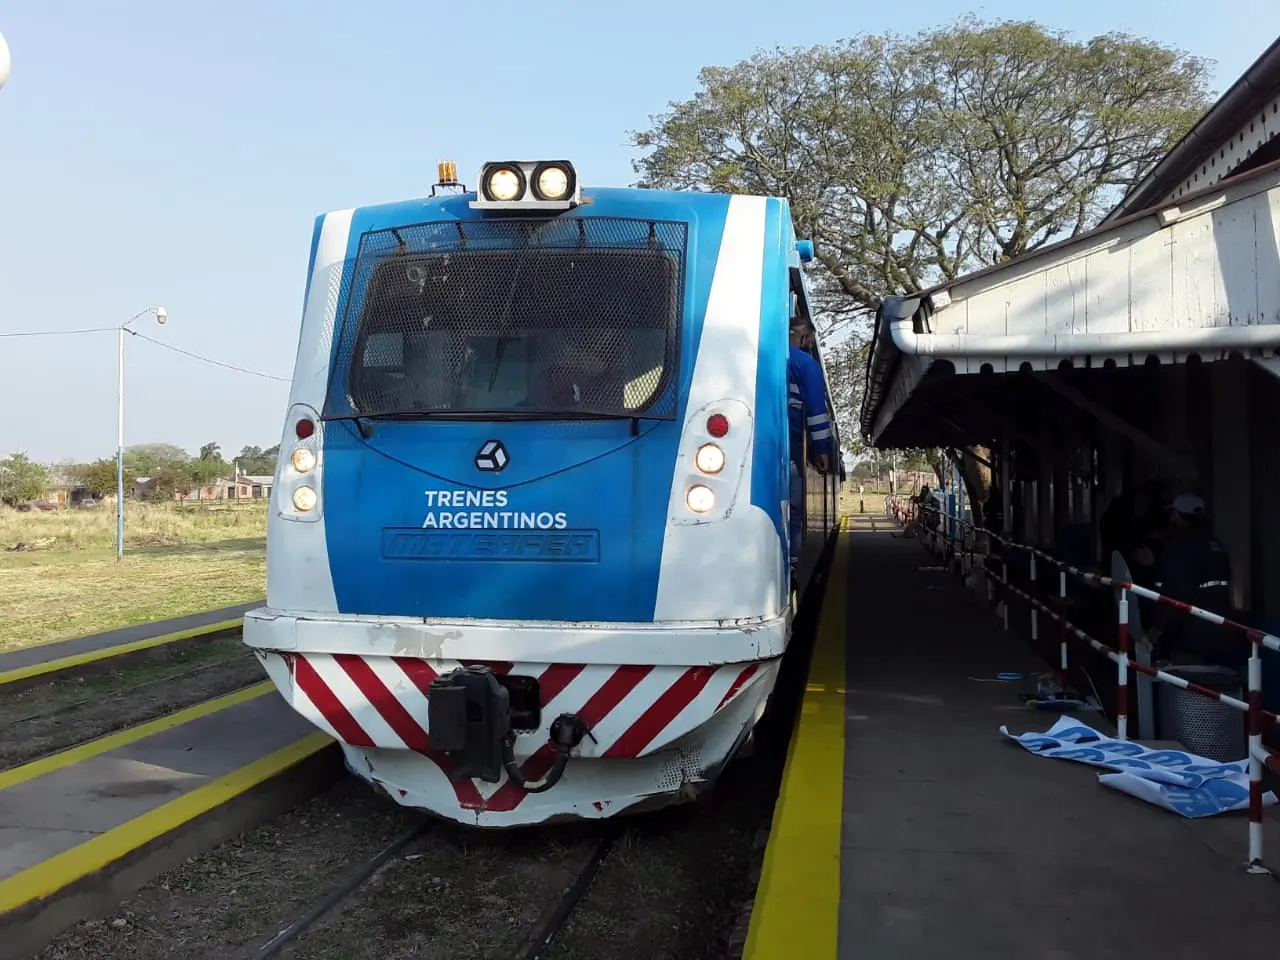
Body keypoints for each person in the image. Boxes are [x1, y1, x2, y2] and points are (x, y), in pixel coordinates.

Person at [1144, 494, 1235, 667]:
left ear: (1177, 515)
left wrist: (1159, 626)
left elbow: (1179, 591)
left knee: (1189, 683)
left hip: (1189, 635)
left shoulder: (1179, 547)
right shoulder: (1216, 545)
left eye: (1173, 514)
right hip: (1221, 629)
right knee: (1216, 684)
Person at [787, 318, 831, 583]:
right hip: (790, 451)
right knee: (792, 507)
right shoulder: (805, 364)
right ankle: (791, 565)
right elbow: (816, 413)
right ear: (804, 339)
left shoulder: (755, 355)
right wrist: (822, 451)